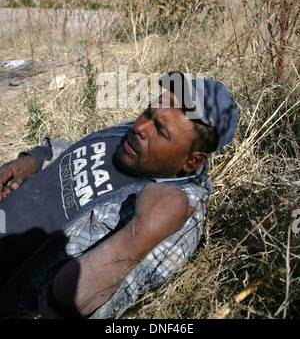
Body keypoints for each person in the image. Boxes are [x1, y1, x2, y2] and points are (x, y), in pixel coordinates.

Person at [0, 70, 237, 319]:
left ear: (192, 161)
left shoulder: (175, 221)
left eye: (161, 130)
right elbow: (82, 148)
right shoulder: (136, 134)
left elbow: (68, 310)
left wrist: (140, 235)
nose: (140, 127)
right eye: (148, 112)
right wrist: (36, 158)